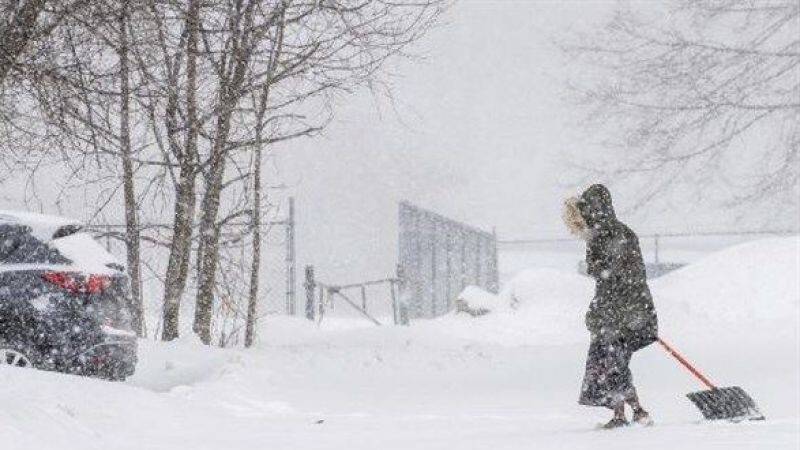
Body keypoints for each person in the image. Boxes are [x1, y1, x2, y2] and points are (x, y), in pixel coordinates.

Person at [562, 184, 658, 429]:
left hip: (621, 312)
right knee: (613, 362)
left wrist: (613, 311)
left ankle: (631, 413)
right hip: (624, 309)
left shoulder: (607, 236)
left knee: (612, 362)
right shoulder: (618, 233)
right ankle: (634, 412)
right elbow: (617, 275)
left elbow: (609, 274)